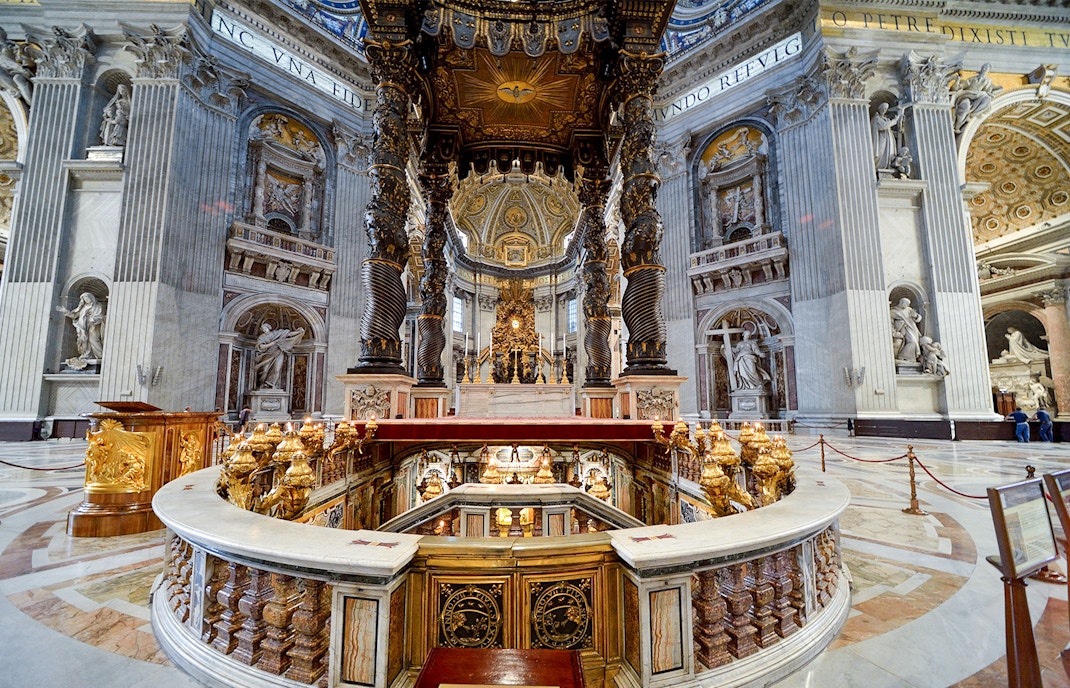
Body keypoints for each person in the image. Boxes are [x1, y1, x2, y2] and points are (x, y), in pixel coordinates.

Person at [56, 292, 106, 361]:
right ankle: (86, 354)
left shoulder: (97, 306)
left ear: (91, 297)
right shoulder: (83, 307)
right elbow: (75, 315)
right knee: (83, 341)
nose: (86, 299)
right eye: (84, 298)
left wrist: (92, 318)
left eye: (87, 298)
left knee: (93, 340)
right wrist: (66, 312)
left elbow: (101, 317)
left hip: (93, 326)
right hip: (83, 327)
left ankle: (100, 356)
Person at [951, 63, 1000, 134]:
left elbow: (991, 90)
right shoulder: (973, 79)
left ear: (988, 71)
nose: (984, 68)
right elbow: (961, 86)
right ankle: (957, 126)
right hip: (967, 95)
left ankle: (973, 113)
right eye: (984, 67)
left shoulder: (988, 81)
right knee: (964, 107)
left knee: (986, 98)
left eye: (986, 67)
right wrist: (957, 80)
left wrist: (994, 92)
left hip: (978, 97)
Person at [253, 323, 305, 389]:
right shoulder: (261, 337)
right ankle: (262, 384)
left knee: (277, 369)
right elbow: (261, 346)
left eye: (265, 328)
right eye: (263, 329)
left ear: (269, 328)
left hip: (279, 352)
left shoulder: (276, 333)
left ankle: (271, 384)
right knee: (264, 370)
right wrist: (272, 343)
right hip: (268, 354)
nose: (264, 330)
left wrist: (298, 332)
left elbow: (289, 334)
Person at [871, 102, 903, 170]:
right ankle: (879, 167)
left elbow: (889, 130)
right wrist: (895, 120)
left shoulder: (886, 119)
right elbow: (883, 126)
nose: (884, 110)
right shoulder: (876, 118)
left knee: (890, 154)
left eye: (885, 109)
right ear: (879, 109)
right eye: (883, 109)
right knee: (881, 153)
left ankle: (889, 166)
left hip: (889, 140)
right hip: (882, 140)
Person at [889, 298, 922, 363]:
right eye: (906, 303)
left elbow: (918, 318)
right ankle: (903, 356)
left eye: (908, 304)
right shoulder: (893, 311)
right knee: (912, 341)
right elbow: (891, 323)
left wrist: (915, 316)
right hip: (903, 329)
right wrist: (894, 332)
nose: (907, 305)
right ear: (901, 302)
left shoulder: (909, 309)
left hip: (912, 328)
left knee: (914, 341)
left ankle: (910, 359)